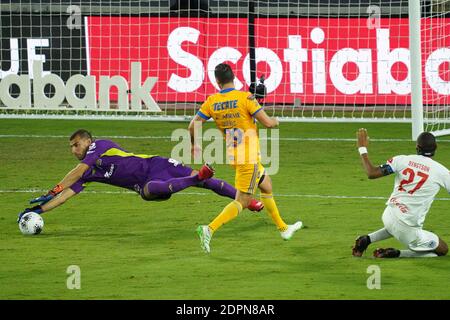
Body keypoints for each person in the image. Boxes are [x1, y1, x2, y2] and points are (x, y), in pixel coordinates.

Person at [17, 129, 264, 221]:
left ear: (87, 142)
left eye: (75, 145)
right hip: (144, 185)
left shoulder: (99, 146)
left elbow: (76, 172)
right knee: (152, 189)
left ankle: (249, 202)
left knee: (209, 183)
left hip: (156, 164)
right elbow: (66, 196)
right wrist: (38, 210)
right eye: (71, 147)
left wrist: (53, 189)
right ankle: (195, 178)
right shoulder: (88, 174)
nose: (74, 150)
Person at [189, 63, 302, 253]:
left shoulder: (212, 101)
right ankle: (209, 229)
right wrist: (276, 121)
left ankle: (283, 228)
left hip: (236, 153)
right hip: (247, 157)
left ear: (217, 81)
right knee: (242, 200)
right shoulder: (245, 97)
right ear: (234, 77)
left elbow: (193, 125)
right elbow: (268, 123)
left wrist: (194, 144)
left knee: (266, 185)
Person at [352, 128, 449, 258]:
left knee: (397, 225)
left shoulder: (401, 160)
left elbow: (371, 173)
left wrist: (362, 148)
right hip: (408, 230)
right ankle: (396, 253)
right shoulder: (442, 172)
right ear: (436, 147)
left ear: (417, 147)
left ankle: (366, 239)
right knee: (442, 250)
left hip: (388, 215)